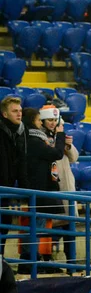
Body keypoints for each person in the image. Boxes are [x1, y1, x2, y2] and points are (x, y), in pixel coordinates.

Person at [19, 108, 66, 274]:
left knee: (39, 227)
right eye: (39, 120)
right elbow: (56, 153)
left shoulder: (35, 139)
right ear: (33, 121)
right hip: (37, 189)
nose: (41, 123)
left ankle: (35, 260)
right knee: (35, 228)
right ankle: (28, 262)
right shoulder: (33, 140)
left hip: (41, 189)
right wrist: (60, 135)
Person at [39, 105, 79, 270]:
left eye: (54, 120)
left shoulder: (61, 136)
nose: (52, 123)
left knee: (70, 228)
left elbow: (74, 158)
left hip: (67, 186)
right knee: (50, 230)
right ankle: (48, 262)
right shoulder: (41, 138)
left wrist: (68, 146)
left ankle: (72, 263)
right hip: (53, 187)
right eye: (49, 120)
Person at [0, 96, 28, 257]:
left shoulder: (19, 132)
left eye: (20, 111)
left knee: (5, 224)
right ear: (5, 114)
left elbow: (20, 163)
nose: (19, 114)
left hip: (6, 189)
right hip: (2, 187)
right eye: (15, 111)